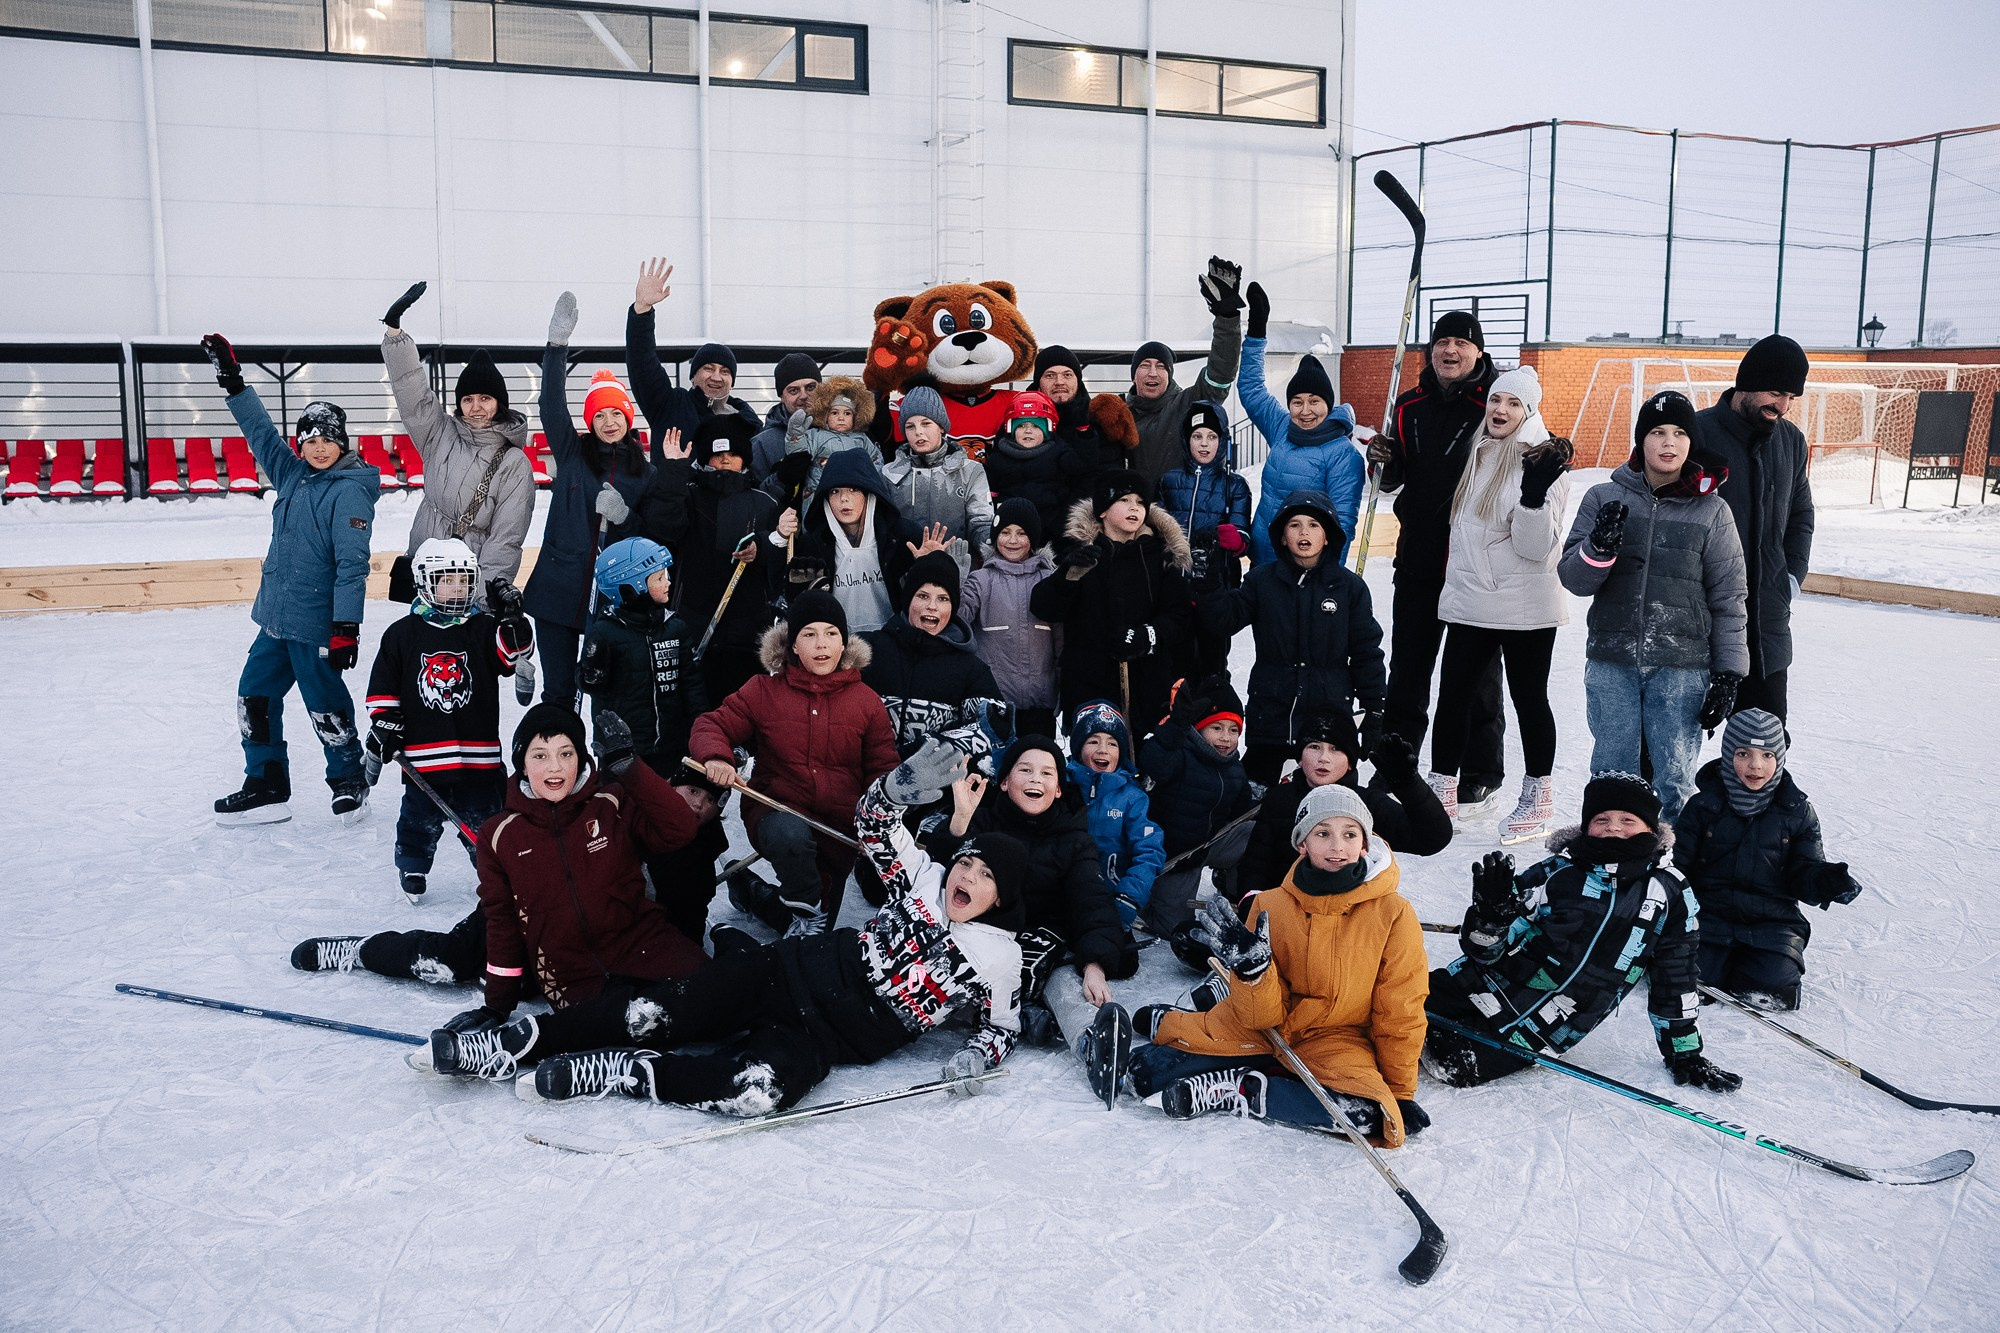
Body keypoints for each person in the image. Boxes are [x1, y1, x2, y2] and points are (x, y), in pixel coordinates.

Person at [426, 742, 1025, 1115]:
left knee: (755, 1091)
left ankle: (625, 1073)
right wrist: (896, 789)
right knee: (652, 1013)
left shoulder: (999, 959)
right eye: (966, 863)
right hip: (783, 974)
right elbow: (873, 822)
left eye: (983, 876)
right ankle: (516, 1043)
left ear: (1002, 899)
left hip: (828, 1039)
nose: (965, 877)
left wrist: (978, 1057)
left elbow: (1003, 1027)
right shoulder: (923, 879)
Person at [398, 704, 711, 1061]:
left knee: (721, 1000)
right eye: (540, 756)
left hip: (646, 948)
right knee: (620, 1028)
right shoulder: (499, 835)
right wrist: (496, 1006)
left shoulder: (610, 801)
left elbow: (680, 830)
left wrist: (630, 768)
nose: (555, 767)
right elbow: (503, 925)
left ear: (581, 758)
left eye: (566, 753)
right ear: (522, 764)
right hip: (576, 979)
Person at [1124, 784, 1429, 1145]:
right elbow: (1260, 1016)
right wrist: (1252, 974)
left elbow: (1401, 1009)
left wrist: (1400, 1090)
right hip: (1266, 1030)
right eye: (1323, 833)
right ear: (1302, 843)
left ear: (1365, 844)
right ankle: (1182, 1027)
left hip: (1337, 1039)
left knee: (1374, 1115)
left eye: (1350, 834)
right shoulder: (1270, 905)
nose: (1337, 846)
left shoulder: (1393, 914)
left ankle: (1241, 1090)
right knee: (1144, 1074)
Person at [1423, 773, 1740, 1096]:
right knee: (1398, 999)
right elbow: (1482, 952)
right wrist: (1490, 917)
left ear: (1651, 828)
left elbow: (1676, 977)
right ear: (1586, 826)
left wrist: (1685, 1053)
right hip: (1475, 984)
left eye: (1628, 820)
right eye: (1602, 819)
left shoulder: (1669, 893)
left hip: (1538, 1029)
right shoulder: (1557, 873)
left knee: (1455, 1064)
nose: (1614, 828)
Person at [290, 769, 728, 984]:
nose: (696, 804)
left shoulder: (696, 859)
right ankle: (361, 951)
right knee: (450, 960)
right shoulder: (621, 808)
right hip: (530, 906)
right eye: (691, 790)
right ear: (668, 784)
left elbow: (683, 933)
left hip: (588, 944)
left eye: (709, 801)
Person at [200, 333, 377, 826]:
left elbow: (353, 564)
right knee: (254, 697)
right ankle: (266, 782)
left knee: (325, 705)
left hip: (317, 624)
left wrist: (346, 626)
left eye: (327, 440)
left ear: (342, 443)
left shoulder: (349, 492)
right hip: (276, 621)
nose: (319, 448)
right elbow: (259, 432)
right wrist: (233, 382)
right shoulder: (292, 474)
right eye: (310, 441)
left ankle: (349, 781)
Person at [1559, 390, 1749, 821]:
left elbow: (1729, 596)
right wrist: (1599, 547)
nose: (1668, 442)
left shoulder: (1712, 510)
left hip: (1682, 666)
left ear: (1691, 442)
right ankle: (1610, 851)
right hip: (1612, 659)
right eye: (1657, 432)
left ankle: (1675, 854)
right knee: (1611, 773)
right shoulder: (1603, 497)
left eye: (1680, 433)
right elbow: (1574, 579)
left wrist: (1729, 673)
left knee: (1674, 777)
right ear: (1641, 440)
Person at [688, 591, 900, 934]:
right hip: (776, 814)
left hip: (838, 829)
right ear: (794, 646)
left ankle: (753, 892)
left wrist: (877, 827)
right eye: (809, 634)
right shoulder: (763, 691)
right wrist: (716, 757)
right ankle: (804, 906)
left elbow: (882, 769)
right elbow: (712, 724)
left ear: (844, 643)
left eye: (831, 633)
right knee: (794, 850)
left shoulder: (867, 702)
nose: (821, 643)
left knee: (815, 928)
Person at [1429, 366, 1573, 844]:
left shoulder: (1543, 462)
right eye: (1496, 400)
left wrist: (1533, 497)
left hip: (1525, 605)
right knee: (1453, 696)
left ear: (1528, 412)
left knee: (1529, 699)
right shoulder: (1479, 450)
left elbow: (1535, 549)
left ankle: (1538, 798)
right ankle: (1440, 793)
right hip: (1473, 597)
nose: (1501, 410)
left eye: (1513, 403)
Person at [1369, 311, 1506, 812]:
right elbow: (1393, 479)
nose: (1450, 351)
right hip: (1419, 557)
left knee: (1476, 676)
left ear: (1478, 352)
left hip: (1476, 562)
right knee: (1408, 671)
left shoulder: (1497, 404)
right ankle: (1395, 763)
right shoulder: (1408, 405)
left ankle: (1480, 771)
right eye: (1442, 342)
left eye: (1461, 343)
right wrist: (1384, 462)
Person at [924, 735, 1137, 1055]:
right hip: (982, 936)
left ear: (1058, 789)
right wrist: (959, 822)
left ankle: (1091, 1041)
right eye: (1025, 770)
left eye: (1047, 773)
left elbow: (1090, 899)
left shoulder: (1073, 838)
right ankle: (1019, 1015)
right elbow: (939, 876)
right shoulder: (983, 820)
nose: (1036, 778)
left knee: (1066, 982)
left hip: (1043, 944)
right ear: (1005, 782)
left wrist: (1095, 963)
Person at [361, 537, 531, 903]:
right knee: (418, 818)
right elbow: (383, 690)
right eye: (447, 580)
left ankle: (494, 870)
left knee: (488, 821)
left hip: (478, 755)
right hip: (424, 757)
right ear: (425, 582)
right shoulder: (401, 635)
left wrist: (512, 619)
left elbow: (513, 656)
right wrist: (386, 724)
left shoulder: (483, 628)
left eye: (463, 580)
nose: (457, 588)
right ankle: (412, 865)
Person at [1675, 710, 1862, 1011]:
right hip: (1709, 915)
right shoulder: (1703, 806)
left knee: (1774, 987)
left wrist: (1824, 881)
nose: (1756, 765)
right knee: (1688, 977)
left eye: (1767, 755)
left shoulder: (1796, 811)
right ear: (1728, 755)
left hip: (1772, 921)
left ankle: (1750, 967)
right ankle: (1714, 965)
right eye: (1743, 753)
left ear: (1780, 758)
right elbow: (1678, 864)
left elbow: (1803, 868)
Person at [1197, 490, 1386, 787]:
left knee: (1326, 802)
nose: (1304, 532)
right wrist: (1208, 582)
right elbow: (1224, 620)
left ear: (1328, 537)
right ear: (1282, 537)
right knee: (1260, 800)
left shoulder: (1349, 588)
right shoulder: (1262, 581)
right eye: (1295, 525)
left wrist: (1374, 709)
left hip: (1327, 721)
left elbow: (1366, 652)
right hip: (1271, 716)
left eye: (1313, 525)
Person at [525, 292, 651, 704]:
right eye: (599, 414)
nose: (609, 422)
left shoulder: (644, 472)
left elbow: (650, 535)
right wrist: (556, 347)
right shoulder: (572, 454)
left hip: (612, 600)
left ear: (628, 417)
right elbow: (550, 405)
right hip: (558, 590)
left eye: (616, 413)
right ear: (590, 421)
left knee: (605, 695)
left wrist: (625, 517)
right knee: (559, 693)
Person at [378, 282, 536, 605]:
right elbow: (413, 394)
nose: (475, 407)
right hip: (424, 580)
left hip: (466, 590)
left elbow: (505, 540)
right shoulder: (440, 434)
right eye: (467, 399)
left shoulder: (514, 464)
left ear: (499, 403)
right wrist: (395, 335)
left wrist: (480, 599)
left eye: (485, 398)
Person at [1695, 335, 1816, 720]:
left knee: (1761, 742)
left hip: (1766, 628)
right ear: (1746, 383)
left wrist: (1790, 578)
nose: (1782, 406)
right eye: (1775, 393)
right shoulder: (1694, 434)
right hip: (1696, 625)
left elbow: (1801, 515)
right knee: (1668, 744)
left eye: (1790, 397)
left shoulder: (1791, 441)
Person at [1030, 470, 1195, 738]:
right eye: (1124, 500)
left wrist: (1147, 636)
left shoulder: (1161, 556)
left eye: (1140, 502)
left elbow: (1179, 614)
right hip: (1090, 685)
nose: (1134, 507)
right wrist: (1067, 577)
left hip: (1146, 687)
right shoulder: (1081, 553)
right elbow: (1044, 607)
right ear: (1103, 510)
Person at [637, 415, 781, 706]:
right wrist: (674, 469)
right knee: (696, 706)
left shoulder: (764, 501)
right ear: (705, 457)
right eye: (717, 453)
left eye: (733, 453)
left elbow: (781, 552)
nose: (725, 459)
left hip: (749, 625)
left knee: (747, 706)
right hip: (695, 621)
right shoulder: (687, 496)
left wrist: (761, 548)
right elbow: (662, 528)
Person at [1234, 712, 1451, 904]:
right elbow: (1256, 866)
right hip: (1290, 917)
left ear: (1350, 762)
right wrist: (1252, 908)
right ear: (1299, 757)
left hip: (1351, 919)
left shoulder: (1366, 803)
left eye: (1335, 749)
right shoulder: (1279, 799)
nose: (1323, 758)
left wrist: (1408, 785)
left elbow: (1432, 838)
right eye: (1314, 747)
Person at [1239, 282, 1364, 566]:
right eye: (1297, 401)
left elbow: (1342, 523)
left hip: (1305, 568)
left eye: (1314, 401)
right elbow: (1251, 389)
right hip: (1263, 561)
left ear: (1328, 404)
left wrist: (1328, 577)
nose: (1305, 411)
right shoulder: (1282, 427)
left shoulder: (1343, 455)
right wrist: (1256, 332)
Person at [578, 537, 708, 778]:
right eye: (659, 578)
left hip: (671, 745)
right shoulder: (605, 632)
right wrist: (591, 672)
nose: (668, 582)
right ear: (632, 586)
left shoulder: (675, 627)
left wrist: (701, 725)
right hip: (622, 751)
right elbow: (591, 686)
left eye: (665, 575)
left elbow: (691, 683)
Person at [861, 551, 1006, 762]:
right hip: (865, 776)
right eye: (923, 596)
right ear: (908, 600)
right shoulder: (868, 650)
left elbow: (994, 728)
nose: (932, 606)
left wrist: (918, 754)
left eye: (943, 599)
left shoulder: (971, 669)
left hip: (935, 779)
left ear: (952, 608)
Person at [1138, 677, 1257, 934]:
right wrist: (1175, 727)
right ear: (1199, 728)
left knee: (1255, 832)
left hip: (1208, 845)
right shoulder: (1180, 755)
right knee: (1173, 927)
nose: (1225, 738)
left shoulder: (1234, 768)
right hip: (1175, 858)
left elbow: (1241, 811)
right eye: (1217, 728)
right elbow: (1154, 762)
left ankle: (1237, 893)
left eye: (1233, 730)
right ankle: (1145, 902)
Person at [625, 257, 761, 461]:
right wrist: (642, 311)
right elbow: (642, 363)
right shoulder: (670, 405)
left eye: (725, 371)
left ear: (732, 381)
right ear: (693, 376)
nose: (716, 376)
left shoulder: (746, 421)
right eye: (708, 368)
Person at [788, 448, 933, 638]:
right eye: (835, 491)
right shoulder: (813, 543)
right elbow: (795, 602)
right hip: (835, 645)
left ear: (869, 493)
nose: (844, 499)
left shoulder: (903, 536)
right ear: (825, 498)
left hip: (895, 640)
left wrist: (929, 564)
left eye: (854, 489)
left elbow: (925, 596)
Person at [1125, 257, 1245, 485]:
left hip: (1180, 507)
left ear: (1170, 375)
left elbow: (1220, 373)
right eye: (1145, 365)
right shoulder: (1119, 415)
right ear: (1133, 376)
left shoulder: (1188, 404)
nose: (1153, 373)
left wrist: (1227, 318)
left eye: (1161, 366)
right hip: (1135, 508)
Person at [1156, 399, 1253, 676]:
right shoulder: (1168, 481)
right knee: (1175, 663)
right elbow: (1156, 528)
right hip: (1174, 589)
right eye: (1197, 436)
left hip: (1215, 588)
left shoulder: (1234, 485)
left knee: (1213, 663)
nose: (1204, 444)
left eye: (1211, 437)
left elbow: (1242, 534)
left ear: (1222, 442)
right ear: (1187, 440)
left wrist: (1235, 539)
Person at [959, 498, 1062, 741]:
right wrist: (956, 585)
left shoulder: (1049, 580)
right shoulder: (981, 580)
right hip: (993, 705)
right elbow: (958, 622)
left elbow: (1062, 642)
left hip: (1040, 705)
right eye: (1005, 532)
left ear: (1033, 539)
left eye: (1021, 533)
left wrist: (1063, 688)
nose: (1012, 540)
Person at [1066, 700, 1166, 931]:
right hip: (1062, 893)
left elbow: (1149, 850)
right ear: (1079, 749)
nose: (1103, 749)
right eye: (1093, 741)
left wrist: (1129, 896)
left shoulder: (1133, 798)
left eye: (1112, 743)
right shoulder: (1060, 786)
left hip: (1111, 898)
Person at [879, 383, 994, 577]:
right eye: (910, 426)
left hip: (958, 572)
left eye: (926, 423)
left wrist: (993, 543)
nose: (918, 432)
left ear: (941, 427)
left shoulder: (970, 471)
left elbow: (981, 521)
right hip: (905, 575)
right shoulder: (889, 474)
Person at [986, 389, 1088, 545]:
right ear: (1010, 429)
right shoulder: (998, 458)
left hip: (1051, 529)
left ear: (1048, 429)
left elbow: (1083, 466)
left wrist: (1084, 433)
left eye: (1035, 426)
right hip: (1011, 530)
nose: (1028, 430)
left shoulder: (1059, 452)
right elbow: (989, 496)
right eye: (1021, 426)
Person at [1032, 344, 1137, 485]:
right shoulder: (1019, 422)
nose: (1059, 382)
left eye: (1067, 375)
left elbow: (1109, 476)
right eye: (1050, 375)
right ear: (1038, 382)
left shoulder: (1099, 422)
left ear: (1078, 380)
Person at [785, 376, 882, 494]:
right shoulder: (816, 435)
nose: (841, 418)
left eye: (847, 413)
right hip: (819, 491)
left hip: (854, 492)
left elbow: (876, 460)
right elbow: (798, 454)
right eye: (835, 413)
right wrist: (796, 434)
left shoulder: (862, 438)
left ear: (856, 417)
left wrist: (870, 482)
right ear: (825, 416)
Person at [750, 351, 822, 482]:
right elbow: (756, 493)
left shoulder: (846, 430)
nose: (804, 396)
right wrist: (781, 479)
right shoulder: (762, 445)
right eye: (794, 390)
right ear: (782, 397)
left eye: (810, 387)